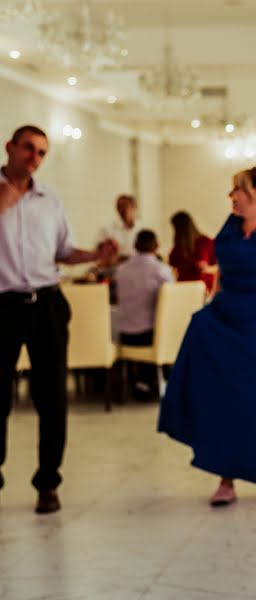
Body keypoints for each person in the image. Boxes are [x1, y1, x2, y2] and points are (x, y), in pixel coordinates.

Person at [158, 166, 256, 508]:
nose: (231, 196)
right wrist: (213, 304)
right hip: (224, 321)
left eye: (237, 190)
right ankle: (226, 480)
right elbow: (224, 272)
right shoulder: (231, 225)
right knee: (223, 399)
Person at [0, 124, 118, 514]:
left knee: (52, 398)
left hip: (48, 304)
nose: (34, 158)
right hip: (2, 307)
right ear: (10, 148)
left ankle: (48, 482)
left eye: (41, 153)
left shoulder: (50, 199)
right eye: (28, 149)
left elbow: (63, 251)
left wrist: (96, 255)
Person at [115, 229, 174, 397]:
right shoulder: (160, 270)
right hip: (150, 337)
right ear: (156, 246)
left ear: (135, 246)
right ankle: (160, 380)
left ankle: (142, 382)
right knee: (162, 327)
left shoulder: (121, 270)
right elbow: (172, 299)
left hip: (125, 335)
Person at [168, 211, 217, 293]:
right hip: (184, 290)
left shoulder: (206, 242)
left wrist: (207, 269)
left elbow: (219, 267)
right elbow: (172, 268)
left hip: (204, 290)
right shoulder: (177, 247)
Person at [98, 194, 142, 261]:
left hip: (137, 266)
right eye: (119, 207)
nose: (123, 210)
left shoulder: (142, 229)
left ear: (134, 207)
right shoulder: (106, 229)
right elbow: (98, 250)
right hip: (115, 267)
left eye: (126, 206)